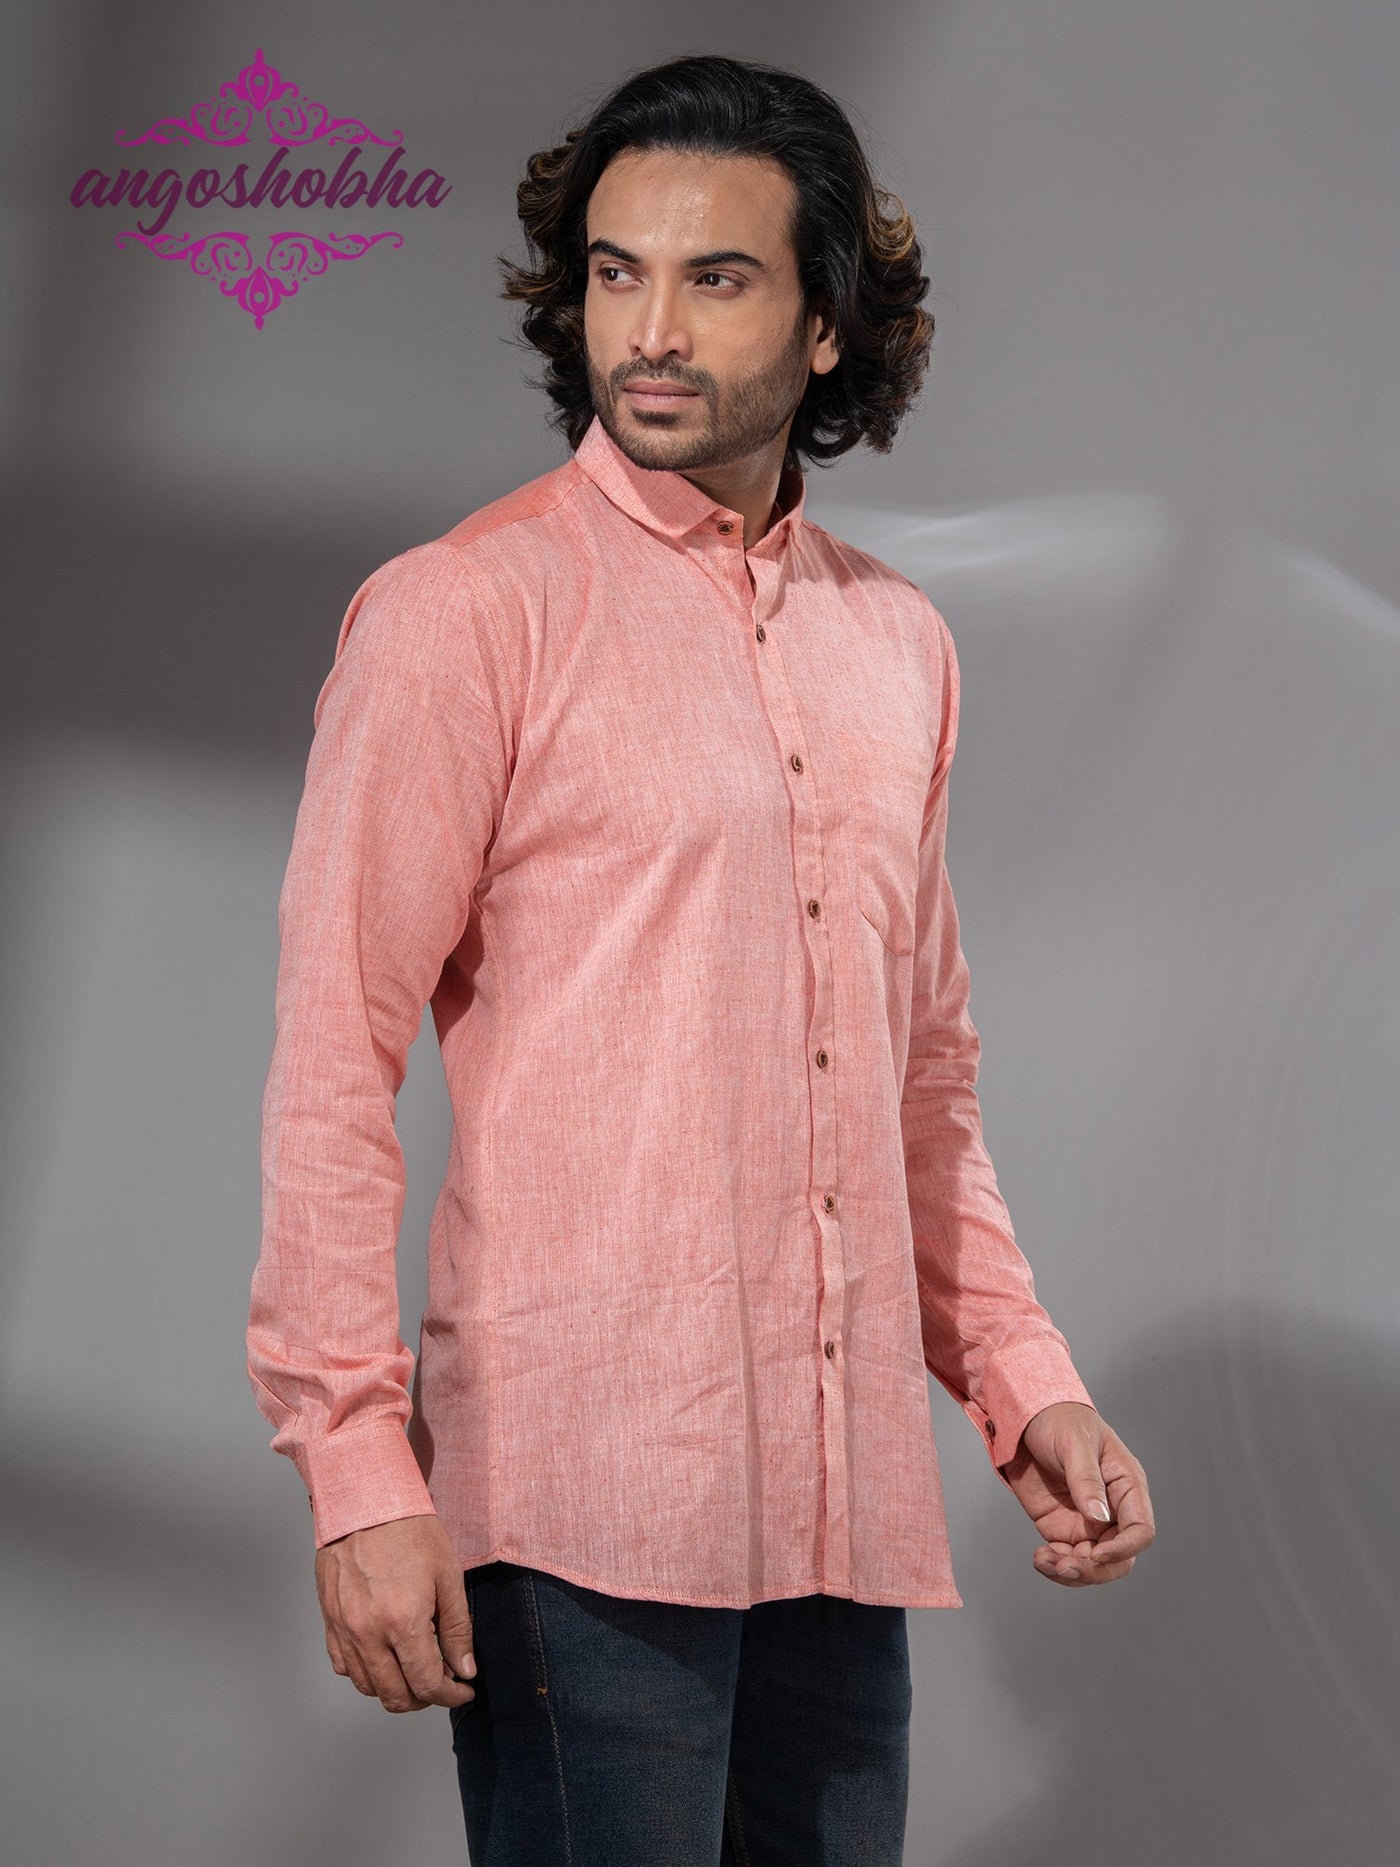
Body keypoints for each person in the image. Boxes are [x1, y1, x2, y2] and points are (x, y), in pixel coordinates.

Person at [247, 50, 1155, 1866]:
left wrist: (1022, 1377)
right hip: (582, 1503)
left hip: (839, 1510)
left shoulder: (898, 646)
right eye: (615, 272)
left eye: (715, 278)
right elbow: (335, 1056)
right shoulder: (466, 613)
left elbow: (920, 1077)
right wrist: (355, 1466)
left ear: (825, 326)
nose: (649, 331)